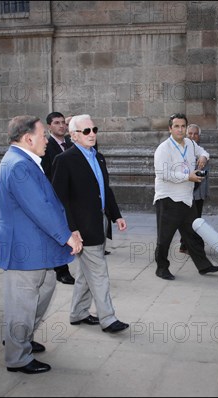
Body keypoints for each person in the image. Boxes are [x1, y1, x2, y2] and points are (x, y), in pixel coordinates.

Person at [0, 115, 82, 374]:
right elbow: (39, 207)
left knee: (45, 288)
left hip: (36, 246)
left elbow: (46, 203)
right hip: (24, 249)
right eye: (43, 135)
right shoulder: (18, 165)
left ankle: (21, 338)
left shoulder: (26, 160)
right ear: (27, 138)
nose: (47, 139)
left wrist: (68, 230)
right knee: (21, 304)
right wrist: (66, 236)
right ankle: (17, 357)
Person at [51, 114, 130, 334]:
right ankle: (108, 318)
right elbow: (60, 198)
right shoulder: (65, 159)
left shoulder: (99, 157)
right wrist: (72, 228)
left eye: (94, 129)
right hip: (82, 227)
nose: (92, 134)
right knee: (99, 273)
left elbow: (105, 189)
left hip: (100, 222)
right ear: (74, 135)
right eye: (86, 131)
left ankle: (78, 313)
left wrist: (116, 216)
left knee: (86, 274)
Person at [153, 113, 218, 280]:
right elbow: (163, 174)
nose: (180, 129)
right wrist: (187, 177)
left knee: (192, 234)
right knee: (165, 237)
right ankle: (161, 269)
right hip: (168, 199)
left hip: (186, 198)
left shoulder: (191, 144)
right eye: (176, 126)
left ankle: (204, 266)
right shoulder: (163, 148)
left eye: (183, 126)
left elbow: (204, 151)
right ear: (170, 128)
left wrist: (204, 158)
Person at [40, 111, 76, 285]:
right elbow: (45, 172)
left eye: (63, 122)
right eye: (56, 123)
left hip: (73, 196)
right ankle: (62, 271)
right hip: (55, 196)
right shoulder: (46, 146)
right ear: (49, 126)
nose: (61, 125)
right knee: (60, 232)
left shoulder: (71, 143)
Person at [178, 123, 210, 254]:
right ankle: (190, 245)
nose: (193, 136)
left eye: (195, 134)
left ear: (199, 136)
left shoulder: (202, 151)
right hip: (188, 191)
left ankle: (185, 245)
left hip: (199, 192)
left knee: (196, 218)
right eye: (190, 134)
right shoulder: (182, 150)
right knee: (191, 220)